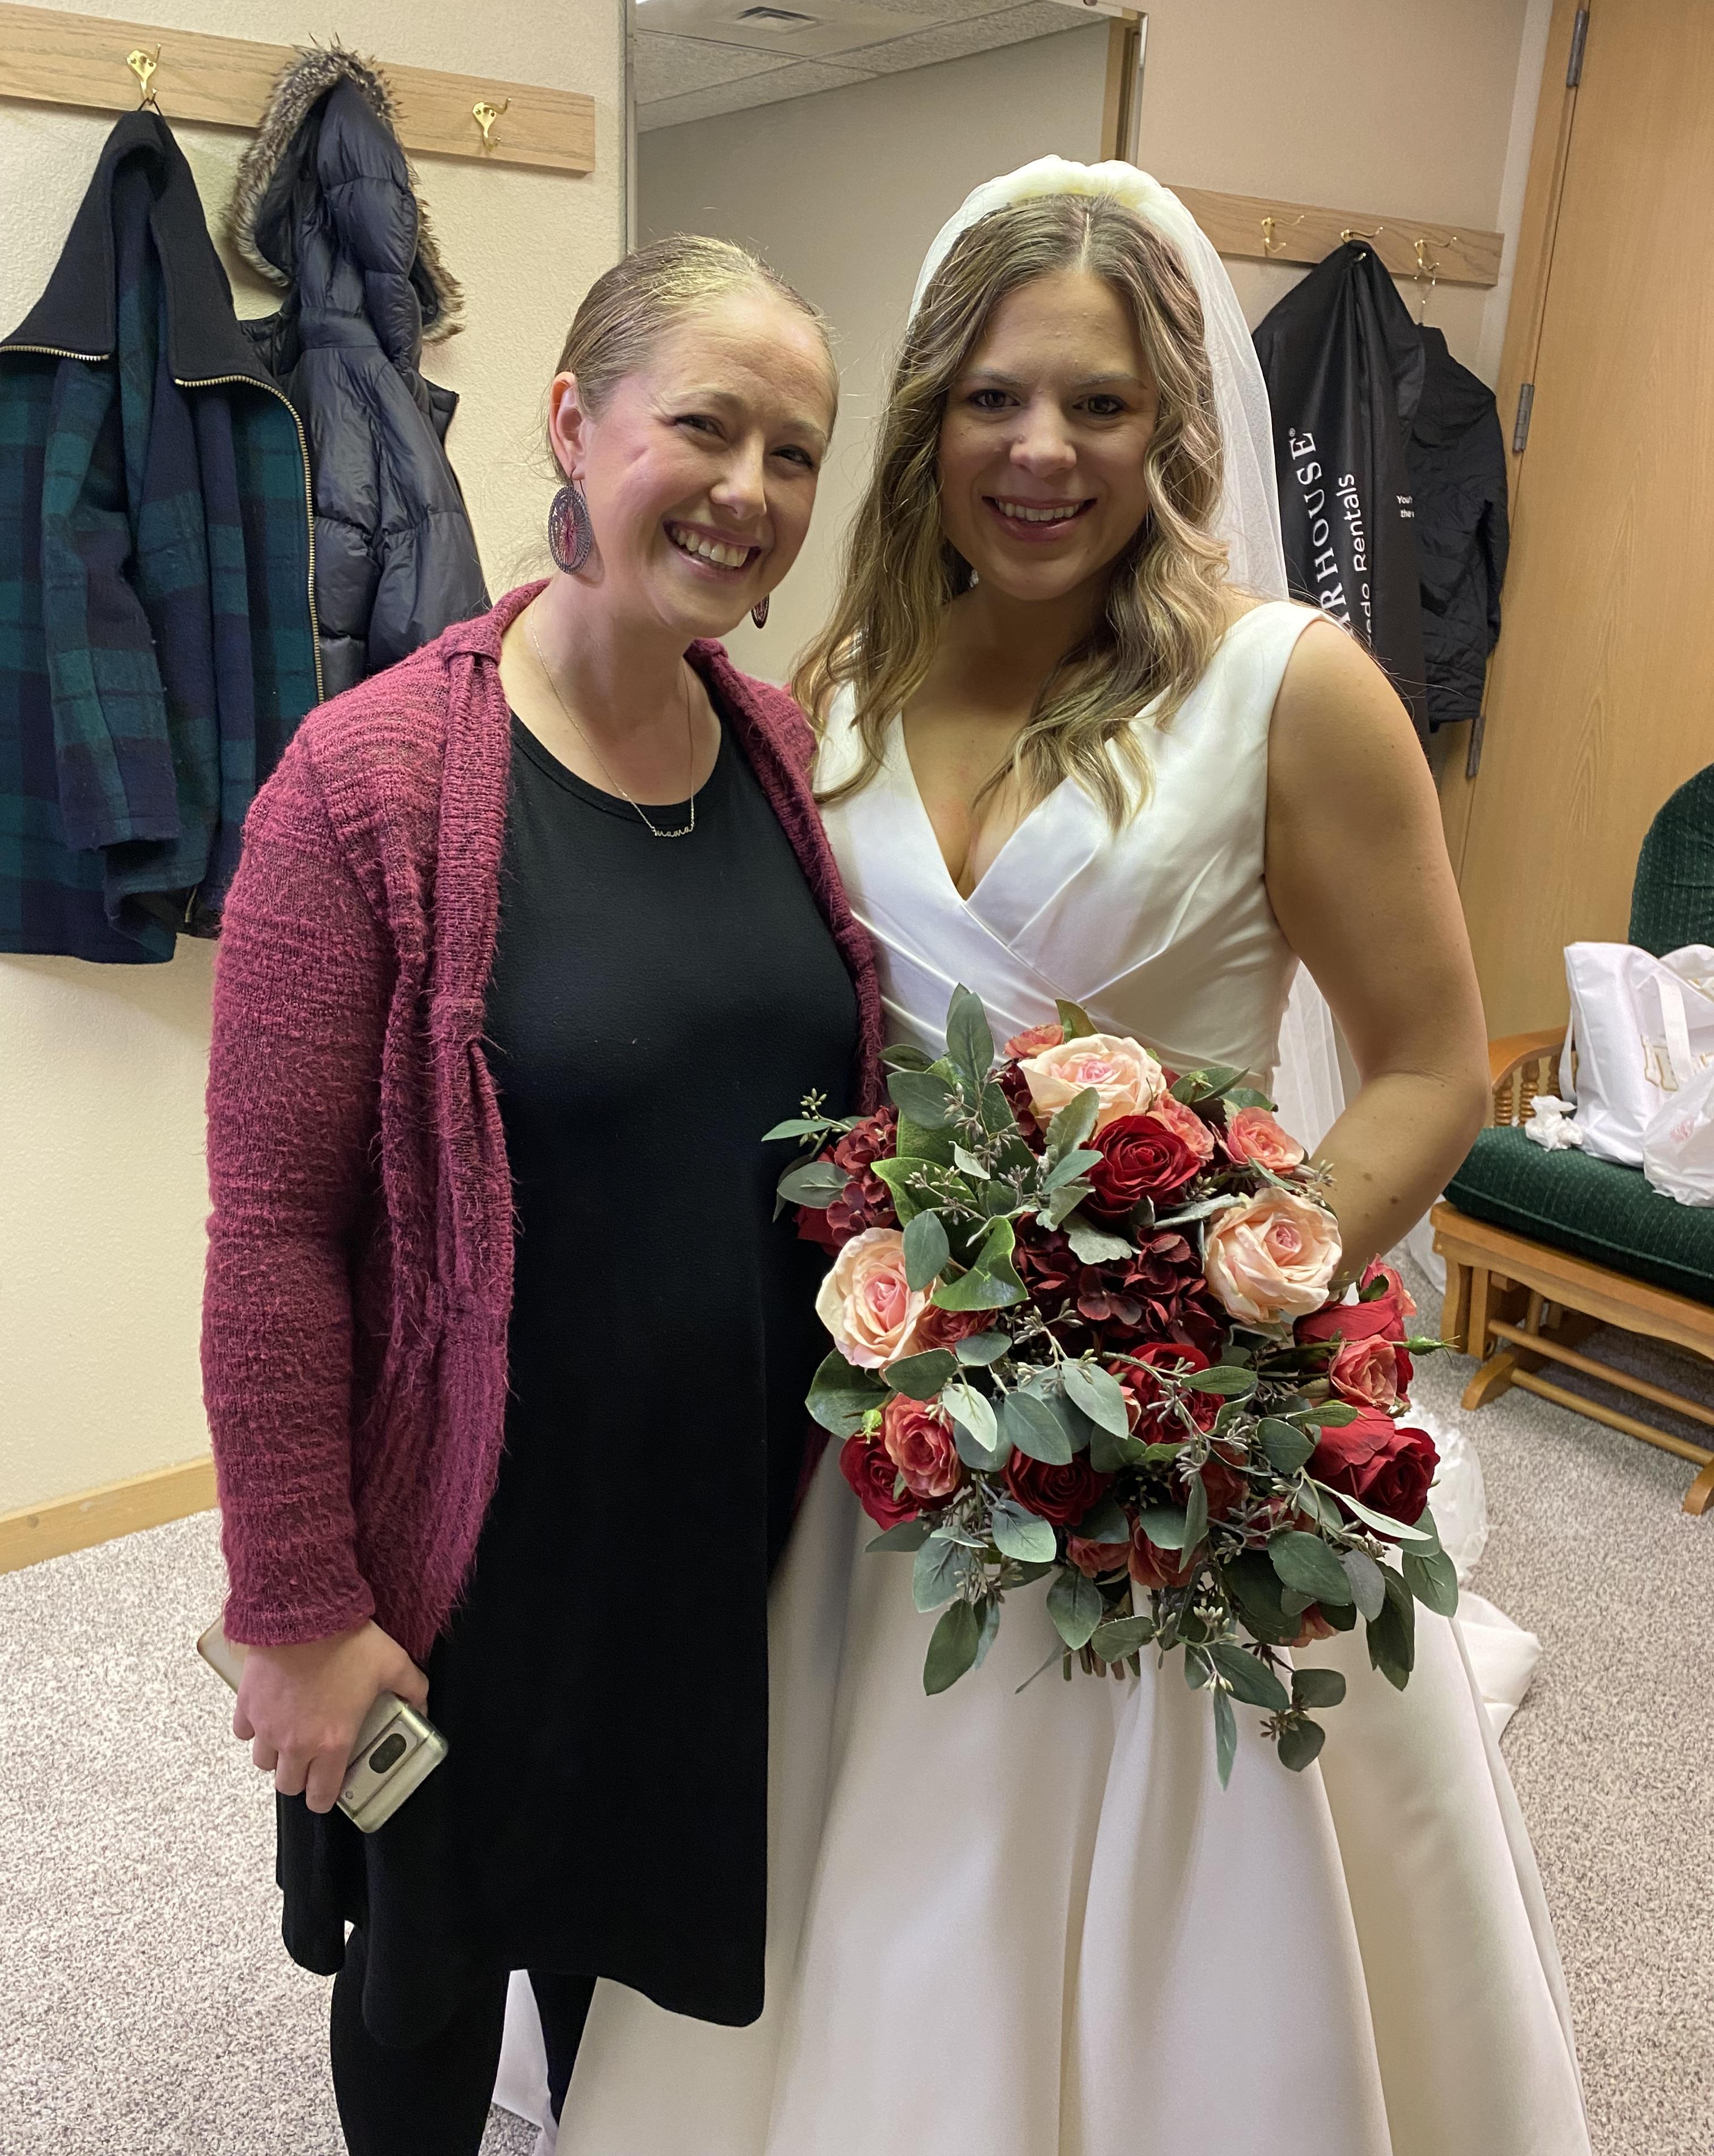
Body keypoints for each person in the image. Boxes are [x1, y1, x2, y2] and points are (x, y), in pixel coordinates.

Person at [533, 165, 1590, 2155]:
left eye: (1101, 404)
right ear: (930, 416)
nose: (1043, 452)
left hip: (1184, 1436)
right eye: (995, 400)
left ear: (1171, 425)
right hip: (901, 1433)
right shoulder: (833, 691)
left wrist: (1220, 1299)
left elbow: (1431, 1068)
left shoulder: (1293, 689)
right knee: (871, 1915)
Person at [199, 232, 882, 2156]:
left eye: (796, 453)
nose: (750, 491)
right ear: (576, 424)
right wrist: (299, 1608)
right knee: (432, 1975)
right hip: (479, 1542)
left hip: (717, 1518)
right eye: (707, 428)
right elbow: (272, 1235)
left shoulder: (781, 754)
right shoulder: (367, 782)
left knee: (636, 1952)